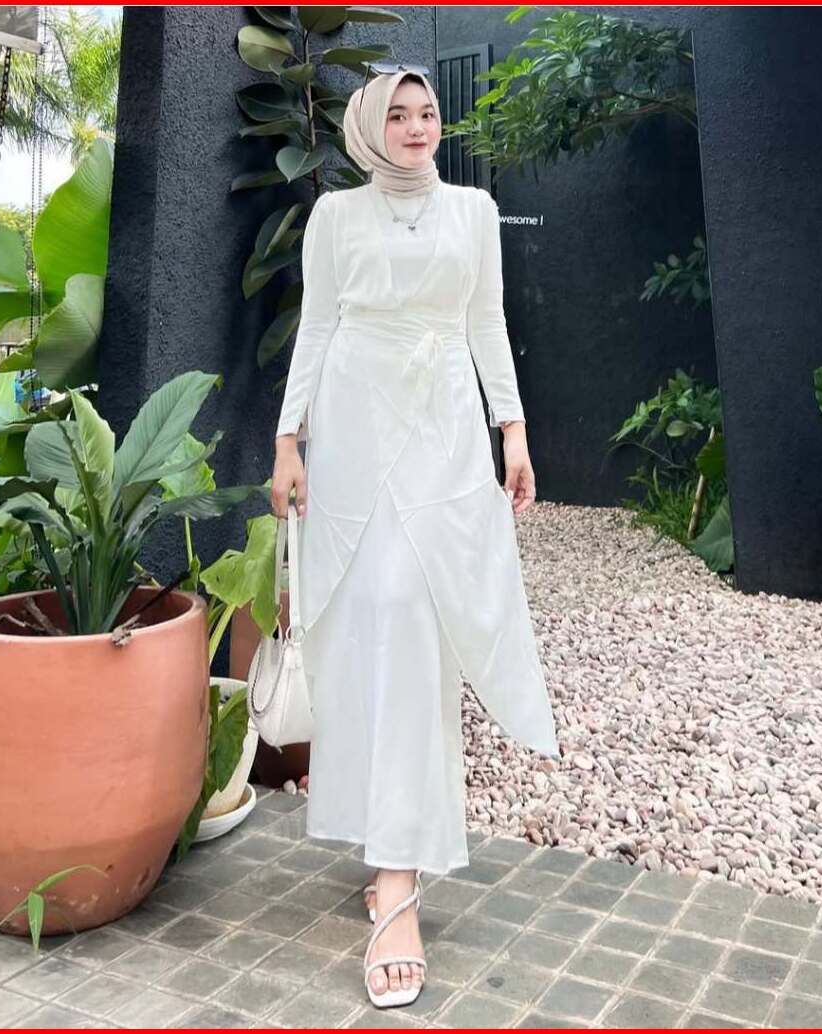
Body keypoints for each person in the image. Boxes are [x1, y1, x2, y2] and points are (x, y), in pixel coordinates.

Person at [271, 67, 559, 1009]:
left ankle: (397, 864)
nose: (416, 126)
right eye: (396, 114)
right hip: (354, 432)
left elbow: (487, 322)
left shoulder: (474, 211)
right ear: (368, 129)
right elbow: (317, 328)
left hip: (443, 433)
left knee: (418, 623)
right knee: (371, 621)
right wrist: (287, 440)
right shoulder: (334, 217)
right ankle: (391, 855)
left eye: (426, 112)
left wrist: (513, 430)